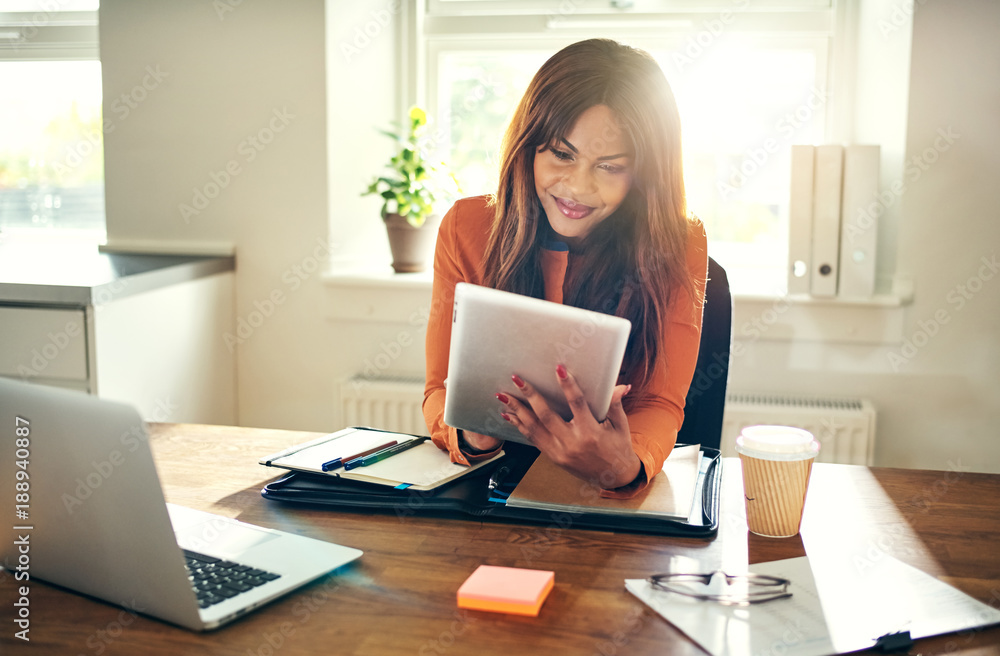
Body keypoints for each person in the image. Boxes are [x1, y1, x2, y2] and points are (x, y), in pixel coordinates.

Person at [422, 38, 707, 499]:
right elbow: (439, 387)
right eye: (561, 154)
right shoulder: (466, 227)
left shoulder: (681, 241)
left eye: (610, 166)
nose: (577, 187)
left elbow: (657, 400)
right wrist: (472, 434)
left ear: (644, 176)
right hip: (495, 488)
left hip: (605, 497)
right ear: (529, 146)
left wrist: (624, 465)